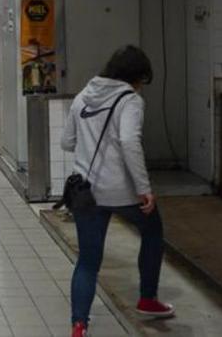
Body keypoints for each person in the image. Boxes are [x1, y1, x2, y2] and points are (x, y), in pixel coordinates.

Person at [61, 45, 174, 337]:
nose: (141, 87)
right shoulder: (130, 100)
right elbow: (129, 142)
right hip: (123, 191)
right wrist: (144, 188)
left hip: (87, 192)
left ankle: (79, 325)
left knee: (88, 261)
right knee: (152, 232)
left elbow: (66, 141)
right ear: (136, 77)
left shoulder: (84, 95)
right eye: (142, 80)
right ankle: (147, 298)